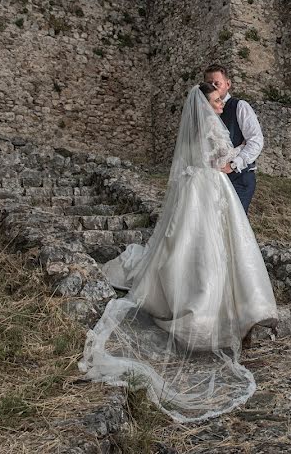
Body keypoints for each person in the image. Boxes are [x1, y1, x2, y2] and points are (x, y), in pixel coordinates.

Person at [79, 83, 278, 423]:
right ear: (206, 103)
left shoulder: (194, 130)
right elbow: (221, 159)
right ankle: (206, 310)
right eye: (216, 101)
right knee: (207, 248)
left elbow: (197, 157)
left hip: (196, 188)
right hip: (211, 187)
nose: (220, 105)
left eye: (220, 100)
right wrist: (233, 159)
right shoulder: (213, 127)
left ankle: (195, 297)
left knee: (192, 244)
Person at [203, 64, 263, 214]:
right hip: (213, 181)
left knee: (234, 223)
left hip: (239, 178)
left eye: (217, 83)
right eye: (209, 84)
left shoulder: (240, 106)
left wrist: (234, 165)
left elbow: (256, 140)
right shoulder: (203, 113)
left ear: (228, 84)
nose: (213, 87)